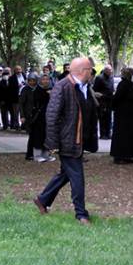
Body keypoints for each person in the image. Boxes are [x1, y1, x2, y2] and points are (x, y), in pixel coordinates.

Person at [33, 57, 98, 224]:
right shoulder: (62, 87)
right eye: (90, 69)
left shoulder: (85, 87)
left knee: (65, 174)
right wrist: (53, 143)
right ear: (83, 71)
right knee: (77, 177)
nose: (92, 71)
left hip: (79, 140)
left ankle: (42, 200)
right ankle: (81, 214)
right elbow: (52, 116)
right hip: (67, 141)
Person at [109, 67, 133, 164]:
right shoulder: (123, 84)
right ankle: (120, 156)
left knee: (128, 136)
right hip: (123, 115)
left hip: (129, 115)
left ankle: (127, 155)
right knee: (122, 136)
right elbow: (117, 98)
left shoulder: (131, 84)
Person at [20, 73, 52, 162]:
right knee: (33, 136)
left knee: (42, 135)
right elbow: (22, 103)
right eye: (30, 81)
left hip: (42, 116)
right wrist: (22, 115)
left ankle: (43, 154)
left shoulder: (44, 89)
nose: (32, 82)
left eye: (34, 80)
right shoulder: (27, 90)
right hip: (31, 115)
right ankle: (31, 154)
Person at [93, 65, 114, 140]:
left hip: (109, 100)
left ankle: (108, 133)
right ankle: (103, 134)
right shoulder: (99, 78)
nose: (111, 71)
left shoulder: (111, 78)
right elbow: (95, 89)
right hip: (102, 100)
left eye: (111, 70)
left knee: (109, 117)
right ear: (105, 70)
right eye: (109, 70)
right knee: (102, 117)